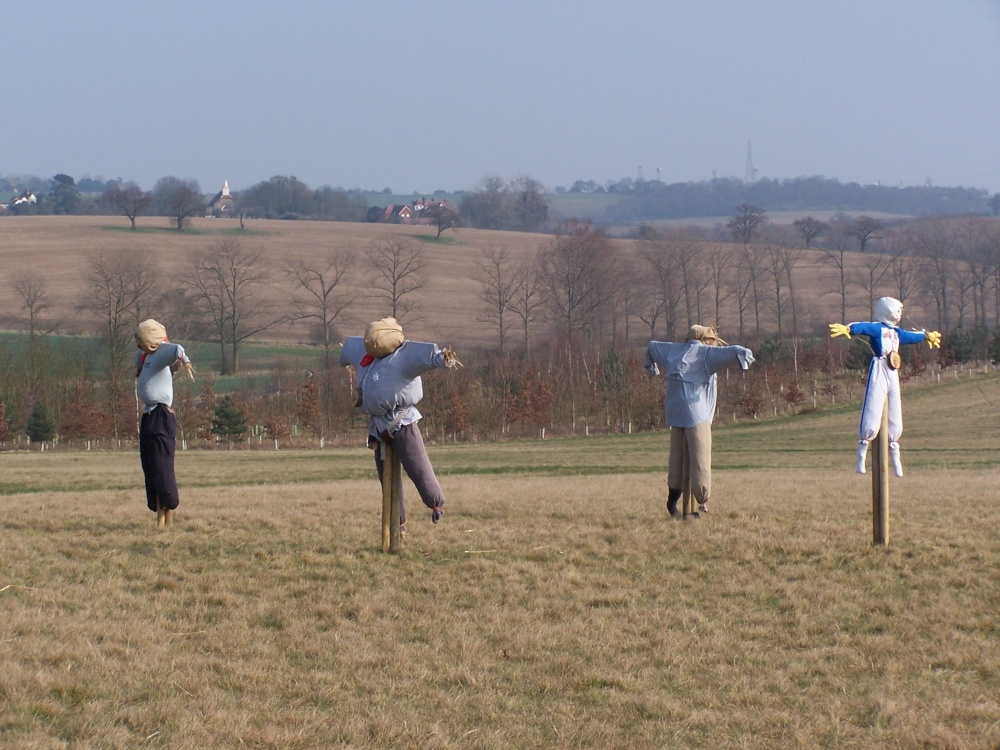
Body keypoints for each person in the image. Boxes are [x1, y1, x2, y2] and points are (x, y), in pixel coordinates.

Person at [339, 317, 462, 530]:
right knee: (387, 478)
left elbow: (429, 357)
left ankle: (436, 504)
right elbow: (349, 349)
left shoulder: (403, 356)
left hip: (403, 422)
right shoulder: (365, 353)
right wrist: (342, 357)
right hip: (377, 427)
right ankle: (398, 523)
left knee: (417, 465)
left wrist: (444, 358)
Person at [645, 325, 755, 518]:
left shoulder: (672, 350)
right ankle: (701, 503)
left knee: (676, 458)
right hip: (697, 414)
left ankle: (672, 502)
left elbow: (652, 346)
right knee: (700, 459)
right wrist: (744, 360)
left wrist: (652, 368)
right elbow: (736, 351)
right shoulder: (706, 354)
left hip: (675, 413)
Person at [829, 296, 940, 477]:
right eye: (897, 311)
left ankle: (895, 453)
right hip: (880, 367)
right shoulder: (878, 328)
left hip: (893, 371)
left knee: (895, 408)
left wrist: (926, 335)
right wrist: (849, 328)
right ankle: (862, 451)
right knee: (873, 405)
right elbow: (863, 326)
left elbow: (911, 336)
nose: (900, 315)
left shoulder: (897, 332)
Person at [134, 319, 195, 527]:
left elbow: (177, 349)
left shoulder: (159, 352)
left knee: (161, 465)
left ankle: (167, 516)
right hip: (150, 415)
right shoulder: (147, 357)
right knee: (150, 464)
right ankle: (158, 514)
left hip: (160, 415)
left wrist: (185, 361)